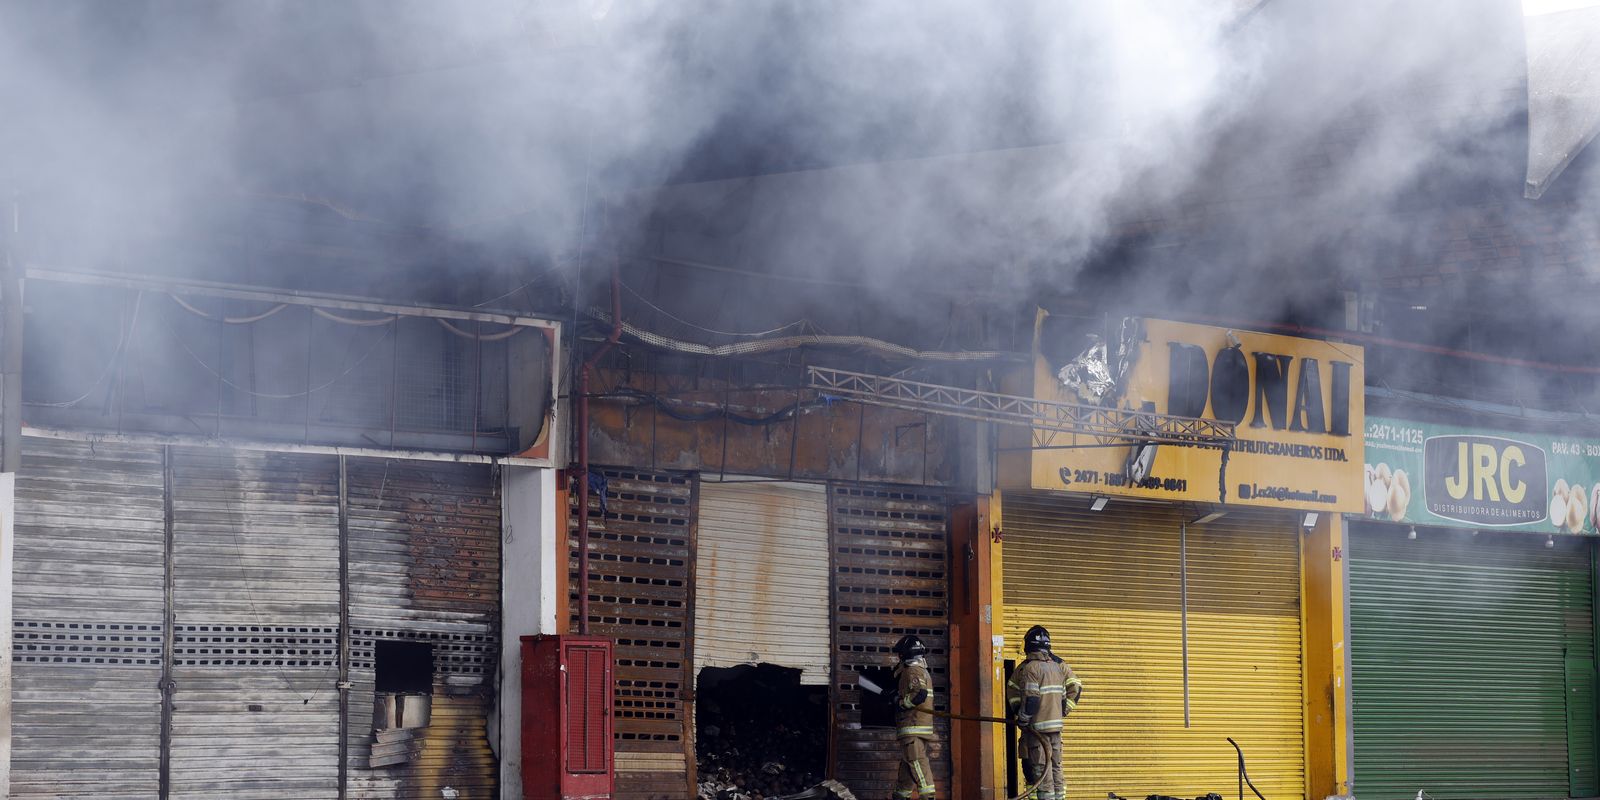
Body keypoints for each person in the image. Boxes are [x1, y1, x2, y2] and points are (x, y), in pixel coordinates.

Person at [1006, 625, 1083, 800]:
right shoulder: (1056, 667)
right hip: (1055, 728)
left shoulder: (1030, 668)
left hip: (1036, 729)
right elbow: (1068, 691)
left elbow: (1031, 699)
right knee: (1056, 768)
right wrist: (1058, 711)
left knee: (1041, 770)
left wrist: (1023, 717)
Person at [887, 634, 937, 800]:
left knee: (917, 763)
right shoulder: (921, 670)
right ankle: (900, 796)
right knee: (907, 768)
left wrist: (900, 702)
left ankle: (928, 797)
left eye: (899, 654)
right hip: (917, 728)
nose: (898, 657)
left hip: (913, 727)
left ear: (905, 654)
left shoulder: (912, 670)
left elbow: (919, 694)